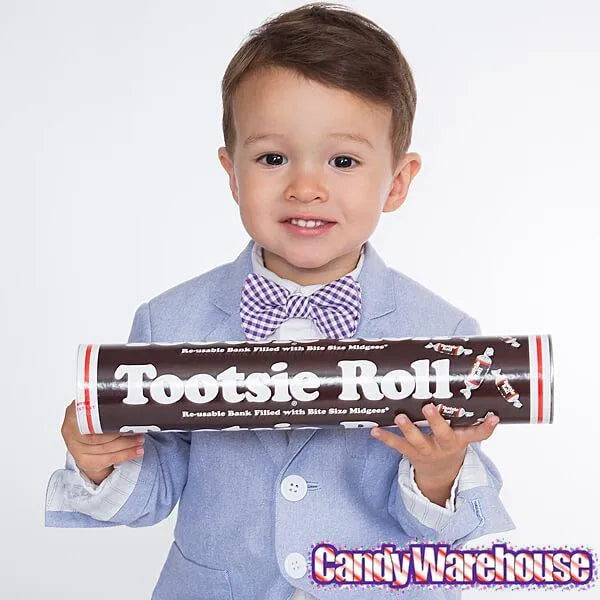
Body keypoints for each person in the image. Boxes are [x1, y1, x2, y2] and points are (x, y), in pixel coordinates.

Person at [45, 3, 514, 598]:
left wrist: (438, 471)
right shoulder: (169, 320)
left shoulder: (444, 335)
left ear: (396, 182)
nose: (306, 187)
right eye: (273, 158)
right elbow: (154, 489)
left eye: (343, 161)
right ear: (232, 173)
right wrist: (100, 460)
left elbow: (452, 529)